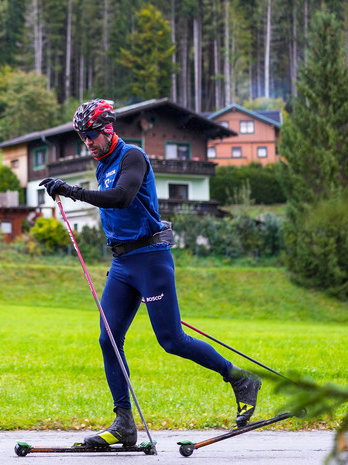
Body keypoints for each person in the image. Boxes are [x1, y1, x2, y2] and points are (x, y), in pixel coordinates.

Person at [39, 99, 261, 447]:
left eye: (92, 135)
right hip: (122, 264)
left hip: (151, 259)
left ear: (108, 129)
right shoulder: (101, 163)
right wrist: (73, 191)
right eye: (83, 137)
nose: (88, 143)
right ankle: (124, 423)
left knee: (170, 340)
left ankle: (240, 379)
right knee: (108, 338)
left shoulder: (133, 157)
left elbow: (122, 197)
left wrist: (71, 191)